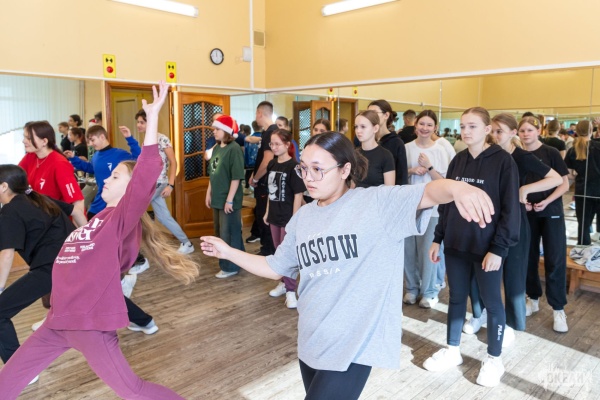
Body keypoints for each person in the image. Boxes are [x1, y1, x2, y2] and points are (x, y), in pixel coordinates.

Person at [201, 131, 495, 400]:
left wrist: (458, 188)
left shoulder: (376, 203)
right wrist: (229, 252)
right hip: (312, 337)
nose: (308, 177)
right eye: (304, 168)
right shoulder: (303, 218)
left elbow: (430, 192)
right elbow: (276, 267)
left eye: (318, 169)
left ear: (344, 170)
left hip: (354, 343)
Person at [0, 81, 196, 400]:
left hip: (89, 325)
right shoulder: (98, 220)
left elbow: (148, 170)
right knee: (5, 383)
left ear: (132, 190)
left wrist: (153, 119)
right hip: (57, 322)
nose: (107, 178)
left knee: (133, 390)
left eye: (116, 176)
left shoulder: (119, 220)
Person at [424, 107, 520, 388]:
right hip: (456, 243)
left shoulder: (503, 162)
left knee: (492, 303)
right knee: (456, 298)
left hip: (487, 247)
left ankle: (494, 359)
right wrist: (438, 238)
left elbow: (510, 210)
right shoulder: (458, 160)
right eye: (463, 126)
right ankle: (452, 349)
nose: (466, 131)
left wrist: (499, 249)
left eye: (473, 126)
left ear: (487, 129)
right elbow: (447, 202)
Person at [464, 113, 562, 347]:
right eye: (493, 130)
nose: (495, 135)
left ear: (512, 133)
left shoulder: (521, 156)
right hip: (487, 221)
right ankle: (480, 313)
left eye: (500, 131)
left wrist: (524, 190)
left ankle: (509, 324)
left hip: (515, 222)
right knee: (480, 271)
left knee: (513, 276)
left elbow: (556, 178)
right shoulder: (486, 154)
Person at [0, 165, 85, 374]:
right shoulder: (37, 198)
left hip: (51, 267)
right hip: (74, 259)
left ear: (3, 187)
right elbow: (75, 210)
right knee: (97, 293)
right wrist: (89, 240)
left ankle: (20, 371)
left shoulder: (10, 210)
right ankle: (145, 321)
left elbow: (7, 254)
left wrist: (0, 287)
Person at [518, 116, 570, 332]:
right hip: (528, 214)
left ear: (539, 131)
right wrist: (524, 203)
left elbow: (564, 184)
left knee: (555, 259)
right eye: (522, 130)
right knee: (528, 258)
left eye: (530, 130)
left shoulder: (551, 153)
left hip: (551, 213)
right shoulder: (517, 155)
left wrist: (547, 201)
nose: (526, 134)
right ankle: (533, 298)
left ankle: (558, 309)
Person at [121, 109, 195, 254]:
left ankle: (132, 248)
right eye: (138, 122)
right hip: (150, 183)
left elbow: (173, 162)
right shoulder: (147, 141)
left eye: (142, 122)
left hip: (158, 183)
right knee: (163, 217)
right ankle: (187, 243)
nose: (138, 125)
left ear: (150, 122)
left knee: (134, 210)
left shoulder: (162, 139)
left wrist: (170, 185)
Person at [404, 110, 453, 308]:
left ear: (435, 128)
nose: (425, 128)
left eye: (429, 125)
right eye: (421, 124)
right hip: (410, 206)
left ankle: (430, 291)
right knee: (409, 250)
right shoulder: (406, 148)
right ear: (415, 125)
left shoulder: (440, 150)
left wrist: (429, 167)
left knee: (429, 250)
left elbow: (445, 182)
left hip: (433, 208)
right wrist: (412, 170)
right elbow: (399, 176)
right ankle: (411, 288)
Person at [264, 129, 305, 308]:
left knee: (288, 255)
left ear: (287, 145)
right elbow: (270, 192)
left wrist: (294, 220)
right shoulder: (272, 164)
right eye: (271, 144)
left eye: (277, 144)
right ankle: (283, 283)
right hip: (274, 215)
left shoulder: (294, 167)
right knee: (278, 252)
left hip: (288, 216)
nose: (274, 147)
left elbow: (298, 195)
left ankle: (290, 290)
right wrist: (267, 212)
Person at [65, 125, 140, 220]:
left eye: (92, 140)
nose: (91, 144)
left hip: (115, 205)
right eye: (89, 141)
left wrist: (129, 138)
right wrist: (73, 158)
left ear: (102, 137)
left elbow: (139, 158)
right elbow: (90, 168)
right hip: (98, 204)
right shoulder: (96, 156)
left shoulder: (119, 154)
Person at [18, 121, 86, 226]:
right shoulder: (31, 156)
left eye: (29, 138)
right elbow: (14, 177)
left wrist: (81, 231)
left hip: (58, 223)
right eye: (24, 137)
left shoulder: (59, 164)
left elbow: (77, 201)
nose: (24, 141)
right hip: (40, 218)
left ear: (44, 141)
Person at [206, 114, 246, 278]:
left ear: (226, 131)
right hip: (217, 198)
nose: (214, 131)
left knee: (228, 234)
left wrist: (229, 200)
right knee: (221, 232)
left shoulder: (234, 149)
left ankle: (230, 267)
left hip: (228, 200)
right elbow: (213, 174)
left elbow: (236, 177)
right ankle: (241, 260)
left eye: (217, 129)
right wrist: (208, 193)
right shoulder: (216, 148)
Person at [565, 120, 600, 245]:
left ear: (576, 131)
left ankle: (583, 248)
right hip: (598, 190)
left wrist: (578, 177)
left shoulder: (572, 150)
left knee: (583, 224)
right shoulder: (598, 146)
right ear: (591, 130)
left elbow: (568, 174)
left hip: (582, 189)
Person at [249, 102, 277, 256]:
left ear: (260, 113)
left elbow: (267, 161)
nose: (256, 117)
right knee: (261, 215)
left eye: (256, 114)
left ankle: (268, 251)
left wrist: (255, 178)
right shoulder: (266, 133)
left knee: (264, 217)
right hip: (264, 182)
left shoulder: (271, 133)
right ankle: (266, 249)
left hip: (266, 183)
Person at [368, 100, 409, 185]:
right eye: (368, 113)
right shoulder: (366, 139)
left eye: (374, 113)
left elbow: (402, 176)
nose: (370, 117)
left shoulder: (396, 142)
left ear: (386, 115)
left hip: (388, 190)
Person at [354, 111, 395, 187]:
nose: (358, 131)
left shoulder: (386, 155)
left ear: (375, 128)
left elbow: (389, 189)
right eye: (356, 127)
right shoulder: (354, 154)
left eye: (363, 127)